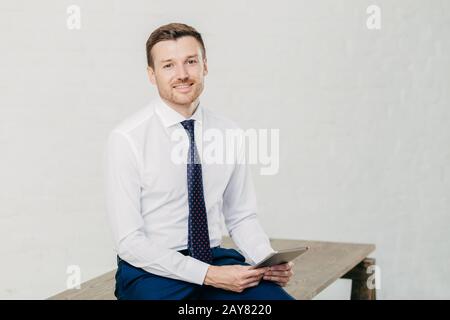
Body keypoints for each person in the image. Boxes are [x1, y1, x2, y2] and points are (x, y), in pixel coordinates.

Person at [104, 22, 295, 300]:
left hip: (216, 260)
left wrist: (266, 260)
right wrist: (207, 275)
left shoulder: (229, 132)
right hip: (152, 271)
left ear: (204, 65)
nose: (182, 74)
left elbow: (240, 215)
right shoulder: (127, 138)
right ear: (151, 75)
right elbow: (129, 242)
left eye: (190, 62)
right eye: (168, 65)